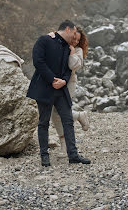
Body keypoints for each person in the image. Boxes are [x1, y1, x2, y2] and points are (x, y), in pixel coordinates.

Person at [26, 20, 91, 166]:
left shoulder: (67, 48)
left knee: (67, 120)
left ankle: (73, 155)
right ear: (68, 29)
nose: (75, 37)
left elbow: (68, 69)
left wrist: (63, 81)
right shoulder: (44, 40)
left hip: (62, 88)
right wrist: (52, 79)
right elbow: (38, 61)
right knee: (43, 122)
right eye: (74, 33)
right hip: (44, 87)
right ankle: (44, 156)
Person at [48, 26, 89, 157]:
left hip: (69, 83)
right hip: (54, 81)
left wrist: (71, 52)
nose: (75, 42)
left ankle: (65, 145)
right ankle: (78, 116)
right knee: (55, 113)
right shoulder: (59, 44)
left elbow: (72, 66)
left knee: (60, 111)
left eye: (78, 40)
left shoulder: (78, 51)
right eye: (74, 38)